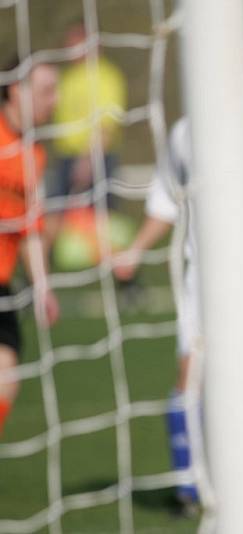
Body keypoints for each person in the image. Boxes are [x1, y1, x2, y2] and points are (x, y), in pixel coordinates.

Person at [113, 33, 243, 508]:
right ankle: (190, 488)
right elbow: (166, 199)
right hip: (207, 269)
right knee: (191, 374)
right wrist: (134, 250)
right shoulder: (187, 132)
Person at [0, 56, 60, 437]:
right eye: (44, 91)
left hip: (2, 284)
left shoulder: (33, 154)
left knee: (6, 376)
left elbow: (30, 229)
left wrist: (42, 286)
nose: (52, 101)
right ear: (15, 90)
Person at [46, 22, 127, 247]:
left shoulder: (104, 76)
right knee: (55, 210)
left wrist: (88, 158)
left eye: (74, 41)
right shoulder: (68, 76)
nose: (68, 46)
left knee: (104, 215)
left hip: (95, 155)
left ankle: (124, 272)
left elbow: (106, 123)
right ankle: (41, 264)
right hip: (65, 156)